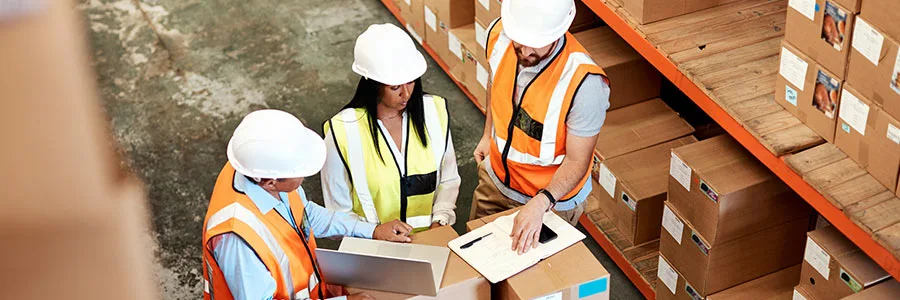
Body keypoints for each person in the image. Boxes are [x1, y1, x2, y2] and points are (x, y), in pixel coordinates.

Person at [202, 109, 412, 300]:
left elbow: (305, 214)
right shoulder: (237, 239)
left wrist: (372, 230)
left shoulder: (255, 164)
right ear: (270, 182)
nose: (304, 175)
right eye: (298, 171)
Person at [471, 0, 611, 254]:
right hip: (496, 178)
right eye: (519, 40)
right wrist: (486, 134)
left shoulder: (585, 84)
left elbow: (578, 161)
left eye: (535, 43)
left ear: (559, 31)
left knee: (529, 284)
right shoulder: (499, 35)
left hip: (549, 202)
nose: (524, 51)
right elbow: (496, 84)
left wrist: (542, 202)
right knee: (476, 261)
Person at [321, 23, 460, 233]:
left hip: (430, 241)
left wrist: (440, 220)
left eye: (411, 82)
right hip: (374, 252)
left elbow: (449, 179)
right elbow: (337, 214)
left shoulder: (434, 112)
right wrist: (374, 232)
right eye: (395, 87)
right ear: (373, 84)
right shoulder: (342, 132)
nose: (406, 93)